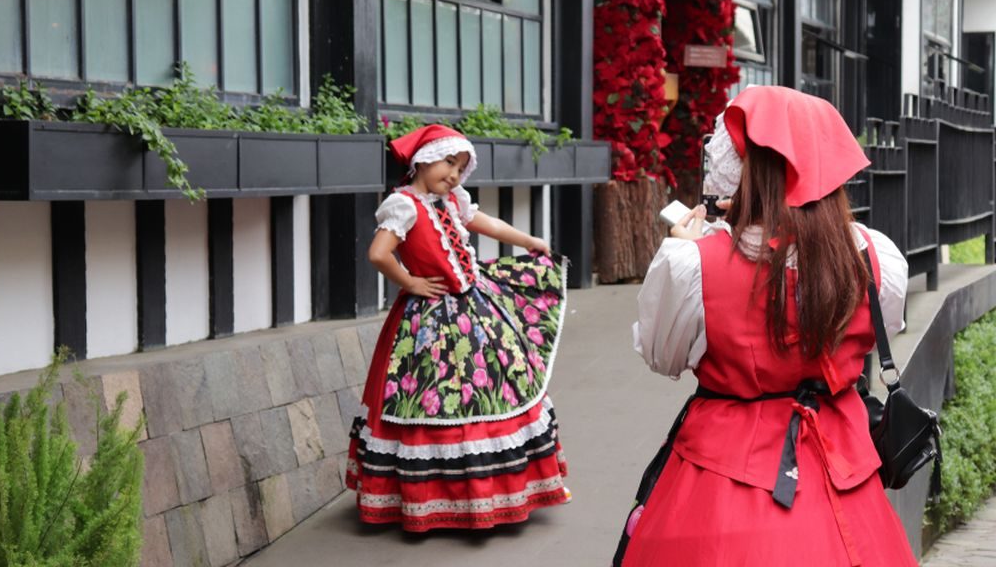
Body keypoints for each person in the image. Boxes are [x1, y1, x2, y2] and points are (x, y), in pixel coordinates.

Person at [619, 86, 917, 566]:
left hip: (721, 481)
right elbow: (888, 325)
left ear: (742, 174)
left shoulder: (694, 264)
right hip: (845, 469)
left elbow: (663, 357)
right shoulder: (871, 254)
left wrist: (687, 248)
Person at [345, 124, 571, 532]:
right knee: (431, 397)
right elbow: (378, 253)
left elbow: (490, 224)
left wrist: (529, 240)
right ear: (423, 159)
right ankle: (438, 498)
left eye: (461, 167)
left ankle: (482, 493)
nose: (454, 174)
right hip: (429, 319)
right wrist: (411, 282)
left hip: (474, 306)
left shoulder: (452, 200)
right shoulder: (404, 205)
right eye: (449, 162)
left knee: (494, 386)